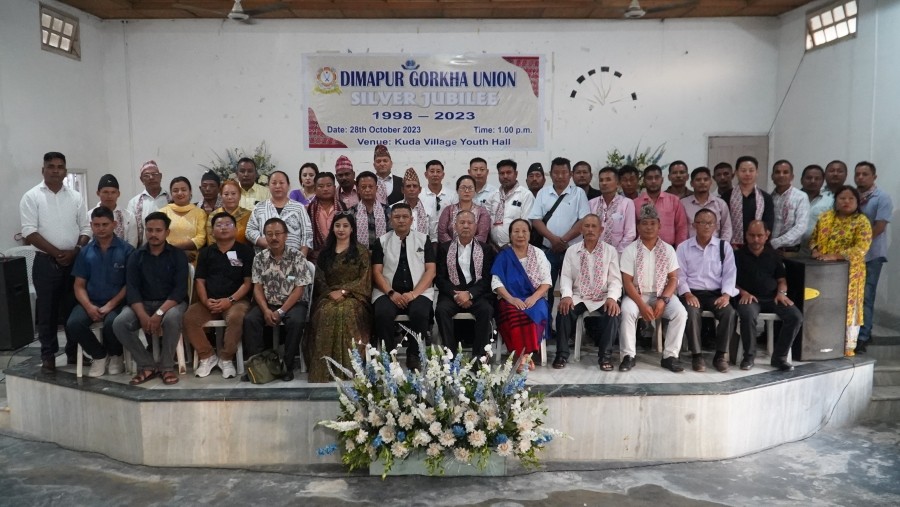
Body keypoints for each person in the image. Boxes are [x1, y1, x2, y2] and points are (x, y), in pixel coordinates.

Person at [20, 152, 91, 372]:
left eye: (60, 167)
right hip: (45, 262)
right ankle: (48, 356)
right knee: (47, 312)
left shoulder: (76, 197)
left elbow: (86, 228)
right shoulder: (31, 197)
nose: (56, 170)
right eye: (51, 166)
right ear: (43, 170)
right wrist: (58, 253)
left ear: (65, 171)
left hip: (74, 261)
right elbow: (29, 232)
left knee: (73, 310)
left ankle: (72, 352)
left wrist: (76, 250)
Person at [113, 212, 189, 386]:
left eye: (158, 230)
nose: (153, 234)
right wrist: (142, 315)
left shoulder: (178, 256)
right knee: (119, 323)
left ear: (167, 232)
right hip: (142, 304)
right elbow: (132, 289)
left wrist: (159, 313)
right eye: (149, 230)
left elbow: (179, 291)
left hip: (171, 304)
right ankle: (147, 365)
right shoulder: (135, 256)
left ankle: (166, 367)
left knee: (172, 318)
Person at [184, 212, 255, 379]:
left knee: (236, 317)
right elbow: (199, 281)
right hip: (210, 300)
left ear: (236, 229)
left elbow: (248, 283)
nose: (223, 228)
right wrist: (205, 301)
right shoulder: (207, 253)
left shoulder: (245, 251)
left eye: (228, 224)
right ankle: (207, 356)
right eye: (219, 225)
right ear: (212, 231)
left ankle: (226, 358)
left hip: (237, 300)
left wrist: (230, 300)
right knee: (189, 317)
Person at [66, 206, 135, 377]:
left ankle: (116, 355)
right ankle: (99, 355)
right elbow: (79, 285)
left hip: (118, 302)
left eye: (105, 224)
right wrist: (89, 307)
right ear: (91, 225)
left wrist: (110, 305)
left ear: (114, 224)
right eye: (97, 225)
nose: (101, 228)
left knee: (113, 323)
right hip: (91, 301)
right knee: (73, 324)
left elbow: (130, 284)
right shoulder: (85, 252)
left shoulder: (127, 251)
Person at [243, 218, 314, 381]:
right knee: (250, 319)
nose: (274, 238)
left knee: (296, 321)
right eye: (269, 234)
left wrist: (281, 311)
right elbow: (257, 287)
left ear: (286, 235)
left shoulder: (297, 256)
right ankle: (257, 367)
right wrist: (266, 310)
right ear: (265, 236)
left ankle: (286, 367)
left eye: (278, 234)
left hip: (293, 302)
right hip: (267, 302)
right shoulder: (259, 258)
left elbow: (299, 288)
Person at [619, 204, 687, 373]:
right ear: (638, 226)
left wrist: (663, 300)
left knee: (680, 313)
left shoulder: (668, 249)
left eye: (652, 223)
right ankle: (628, 356)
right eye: (644, 223)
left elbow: (673, 278)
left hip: (661, 295)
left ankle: (670, 356)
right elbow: (627, 282)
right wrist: (642, 305)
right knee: (627, 311)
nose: (648, 227)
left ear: (659, 226)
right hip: (637, 295)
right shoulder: (630, 250)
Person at [371, 203, 436, 371]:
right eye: (396, 217)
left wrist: (414, 294)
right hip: (388, 291)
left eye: (405, 217)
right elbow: (377, 272)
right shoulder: (382, 241)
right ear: (390, 220)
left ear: (411, 219)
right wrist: (391, 293)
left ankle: (414, 354)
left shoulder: (424, 239)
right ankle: (389, 354)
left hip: (418, 291)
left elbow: (431, 270)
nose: (401, 220)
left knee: (419, 313)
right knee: (382, 313)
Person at [308, 213, 372, 383]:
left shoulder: (361, 251)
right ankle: (324, 370)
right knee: (326, 312)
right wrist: (330, 292)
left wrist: (344, 291)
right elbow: (319, 278)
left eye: (345, 226)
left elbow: (364, 278)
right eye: (337, 226)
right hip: (328, 295)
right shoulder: (325, 252)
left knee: (347, 311)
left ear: (352, 229)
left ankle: (352, 368)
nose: (341, 229)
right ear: (333, 228)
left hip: (355, 296)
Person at [809, 186, 872, 356]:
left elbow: (861, 248)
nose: (846, 202)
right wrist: (815, 250)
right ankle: (822, 342)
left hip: (850, 273)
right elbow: (813, 238)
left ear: (857, 202)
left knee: (847, 307)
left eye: (851, 198)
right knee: (824, 305)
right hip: (824, 274)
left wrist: (835, 256)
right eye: (842, 198)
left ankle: (846, 346)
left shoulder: (861, 221)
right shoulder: (826, 218)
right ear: (836, 201)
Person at [733, 220, 803, 371]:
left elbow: (782, 280)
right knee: (747, 314)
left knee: (795, 316)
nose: (756, 239)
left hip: (773, 298)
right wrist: (743, 292)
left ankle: (779, 357)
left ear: (767, 235)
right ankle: (749, 357)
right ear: (746, 235)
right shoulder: (737, 256)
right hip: (749, 297)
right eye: (752, 235)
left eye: (759, 235)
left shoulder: (774, 255)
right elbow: (729, 282)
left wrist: (781, 293)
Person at [555, 214, 621, 371]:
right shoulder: (572, 251)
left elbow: (615, 280)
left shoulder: (610, 251)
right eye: (587, 226)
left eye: (594, 226)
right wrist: (566, 296)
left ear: (601, 230)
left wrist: (612, 298)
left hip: (602, 296)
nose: (590, 230)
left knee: (613, 312)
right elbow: (565, 276)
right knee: (563, 310)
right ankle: (562, 354)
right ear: (581, 229)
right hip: (579, 296)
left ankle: (605, 357)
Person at [675, 209, 738, 373]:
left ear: (716, 226)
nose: (706, 226)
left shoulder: (724, 247)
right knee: (691, 312)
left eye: (710, 223)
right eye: (702, 222)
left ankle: (720, 355)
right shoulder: (683, 247)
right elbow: (679, 275)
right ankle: (697, 355)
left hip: (716, 293)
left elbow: (730, 273)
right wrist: (687, 293)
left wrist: (726, 295)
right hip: (692, 292)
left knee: (729, 313)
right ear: (694, 225)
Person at [490, 219, 551, 371]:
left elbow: (546, 281)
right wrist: (511, 298)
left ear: (530, 234)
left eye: (524, 231)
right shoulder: (504, 256)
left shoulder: (538, 254)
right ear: (510, 235)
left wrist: (534, 297)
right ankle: (521, 355)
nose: (520, 235)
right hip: (509, 298)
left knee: (535, 311)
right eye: (516, 231)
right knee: (513, 312)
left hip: (534, 297)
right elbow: (496, 282)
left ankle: (526, 355)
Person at [529, 157, 590, 308]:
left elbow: (583, 221)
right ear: (551, 174)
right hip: (548, 251)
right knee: (545, 290)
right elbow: (535, 220)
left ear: (570, 174)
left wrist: (563, 241)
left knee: (571, 292)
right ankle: (547, 329)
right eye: (556, 173)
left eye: (564, 172)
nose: (560, 176)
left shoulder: (579, 193)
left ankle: (567, 331)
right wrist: (553, 240)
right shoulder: (543, 193)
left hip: (572, 251)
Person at [435, 210, 495, 360]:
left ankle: (479, 358)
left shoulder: (486, 249)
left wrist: (470, 294)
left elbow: (487, 279)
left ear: (476, 227)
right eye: (462, 223)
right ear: (455, 226)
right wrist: (456, 295)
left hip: (476, 294)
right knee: (441, 310)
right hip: (452, 294)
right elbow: (440, 279)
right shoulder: (444, 248)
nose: (466, 226)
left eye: (470, 223)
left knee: (486, 310)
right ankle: (450, 357)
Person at [855, 161, 893, 353]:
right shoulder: (852, 196)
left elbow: (879, 227)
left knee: (866, 296)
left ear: (874, 177)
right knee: (852, 296)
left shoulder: (882, 198)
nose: (860, 177)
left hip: (871, 255)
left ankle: (863, 335)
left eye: (865, 174)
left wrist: (858, 243)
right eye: (858, 174)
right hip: (852, 257)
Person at [245, 170, 313, 257]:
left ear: (288, 185)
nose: (278, 186)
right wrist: (266, 243)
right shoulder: (259, 207)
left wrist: (301, 257)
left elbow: (307, 233)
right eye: (274, 183)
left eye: (281, 183)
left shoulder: (299, 208)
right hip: (265, 259)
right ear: (268, 186)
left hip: (294, 259)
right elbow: (249, 230)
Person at [722, 156, 774, 248]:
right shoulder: (726, 196)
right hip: (733, 247)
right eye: (743, 170)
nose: (747, 174)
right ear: (737, 172)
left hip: (758, 247)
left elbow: (768, 225)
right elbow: (723, 224)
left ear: (757, 172)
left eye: (751, 170)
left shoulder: (766, 198)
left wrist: (758, 243)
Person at [632, 165, 689, 248]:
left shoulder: (674, 201)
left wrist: (679, 250)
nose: (653, 181)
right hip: (642, 249)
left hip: (669, 249)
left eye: (657, 177)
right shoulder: (635, 203)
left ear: (662, 180)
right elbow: (633, 230)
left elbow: (681, 228)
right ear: (644, 181)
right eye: (649, 178)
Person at [488, 159, 534, 250]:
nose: (505, 176)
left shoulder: (525, 195)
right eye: (502, 173)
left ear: (516, 174)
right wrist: (491, 244)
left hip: (516, 248)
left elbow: (526, 225)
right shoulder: (493, 195)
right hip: (492, 247)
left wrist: (511, 245)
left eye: (509, 173)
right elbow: (486, 221)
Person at [160, 177, 208, 263]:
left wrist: (174, 248)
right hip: (166, 258)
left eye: (183, 189)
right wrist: (179, 252)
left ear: (190, 192)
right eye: (175, 190)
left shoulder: (200, 213)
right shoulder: (162, 213)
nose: (180, 193)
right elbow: (158, 237)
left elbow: (201, 238)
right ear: (171, 193)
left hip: (192, 260)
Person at [588, 166, 636, 253]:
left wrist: (616, 253)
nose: (604, 183)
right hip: (594, 254)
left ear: (617, 183)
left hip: (618, 254)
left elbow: (630, 233)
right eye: (601, 180)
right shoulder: (591, 203)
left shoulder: (627, 203)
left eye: (608, 179)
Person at [680, 167, 732, 243]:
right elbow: (680, 229)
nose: (702, 182)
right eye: (698, 180)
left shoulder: (720, 204)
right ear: (691, 183)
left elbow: (726, 228)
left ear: (711, 182)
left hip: (715, 250)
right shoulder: (683, 204)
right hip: (690, 249)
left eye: (706, 179)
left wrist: (722, 247)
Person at [126, 160, 170, 247]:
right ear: (141, 179)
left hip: (169, 252)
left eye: (154, 174)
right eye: (146, 175)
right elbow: (132, 233)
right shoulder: (134, 203)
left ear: (160, 176)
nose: (151, 177)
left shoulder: (171, 199)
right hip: (144, 253)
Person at [437, 175, 491, 245]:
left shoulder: (482, 212)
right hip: (450, 250)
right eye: (463, 187)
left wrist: (468, 247)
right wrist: (456, 247)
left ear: (475, 190)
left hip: (475, 251)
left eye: (470, 188)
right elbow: (442, 233)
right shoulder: (448, 210)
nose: (467, 191)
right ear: (457, 190)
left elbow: (482, 235)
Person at [769, 160, 810, 253]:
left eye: (785, 172)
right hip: (770, 250)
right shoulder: (769, 197)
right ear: (772, 176)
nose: (781, 175)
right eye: (777, 172)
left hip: (790, 250)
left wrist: (776, 242)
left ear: (792, 176)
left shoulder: (801, 197)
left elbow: (801, 227)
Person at [306, 172, 347, 262]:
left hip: (340, 254)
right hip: (315, 256)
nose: (325, 189)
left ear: (334, 187)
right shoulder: (309, 209)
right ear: (315, 189)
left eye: (328, 185)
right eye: (320, 186)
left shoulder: (343, 207)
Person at [91, 174, 138, 247]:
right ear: (98, 193)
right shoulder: (89, 215)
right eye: (105, 192)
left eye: (113, 192)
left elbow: (132, 244)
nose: (109, 196)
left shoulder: (129, 216)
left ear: (118, 194)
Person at [352, 171, 392, 248]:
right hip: (359, 255)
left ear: (376, 188)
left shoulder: (387, 210)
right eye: (363, 187)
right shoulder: (351, 212)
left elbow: (392, 234)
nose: (367, 190)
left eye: (370, 186)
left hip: (383, 253)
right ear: (358, 190)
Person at [420, 160, 458, 241]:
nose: (435, 174)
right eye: (432, 171)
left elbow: (455, 218)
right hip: (425, 239)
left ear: (443, 175)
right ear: (426, 175)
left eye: (438, 171)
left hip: (447, 239)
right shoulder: (419, 195)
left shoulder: (452, 195)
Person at [205, 179, 251, 245]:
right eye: (226, 194)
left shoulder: (248, 215)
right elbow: (211, 240)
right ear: (221, 196)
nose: (230, 197)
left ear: (240, 195)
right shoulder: (213, 215)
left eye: (233, 194)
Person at [800, 164, 832, 250]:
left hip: (818, 250)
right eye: (809, 178)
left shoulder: (830, 202)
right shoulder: (793, 198)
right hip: (790, 249)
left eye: (817, 179)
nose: (813, 181)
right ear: (801, 180)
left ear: (822, 181)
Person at [397, 167, 430, 236]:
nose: (412, 189)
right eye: (408, 186)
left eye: (415, 186)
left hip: (423, 245)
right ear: (402, 190)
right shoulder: (394, 208)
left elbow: (433, 235)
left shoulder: (428, 208)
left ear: (420, 189)